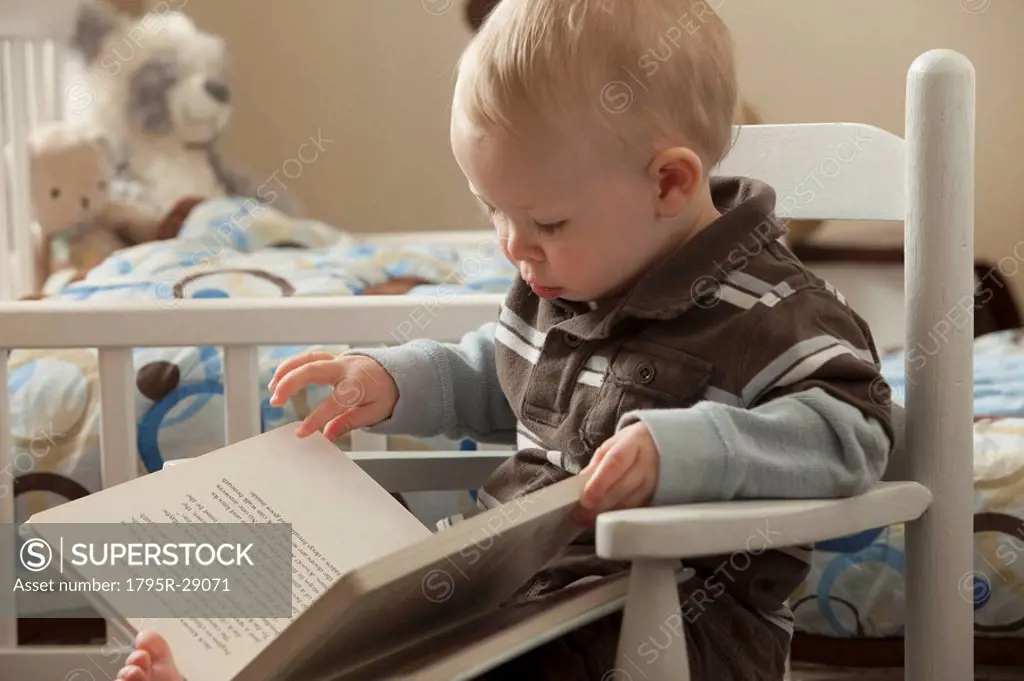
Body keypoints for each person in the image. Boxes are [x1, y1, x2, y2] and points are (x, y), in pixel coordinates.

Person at [115, 0, 894, 679]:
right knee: (362, 633)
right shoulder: (567, 281)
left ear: (669, 184)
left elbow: (852, 436)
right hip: (508, 599)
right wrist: (391, 381)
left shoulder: (772, 311)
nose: (515, 248)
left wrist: (686, 450)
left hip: (661, 622)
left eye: (546, 222)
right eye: (494, 211)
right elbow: (498, 372)